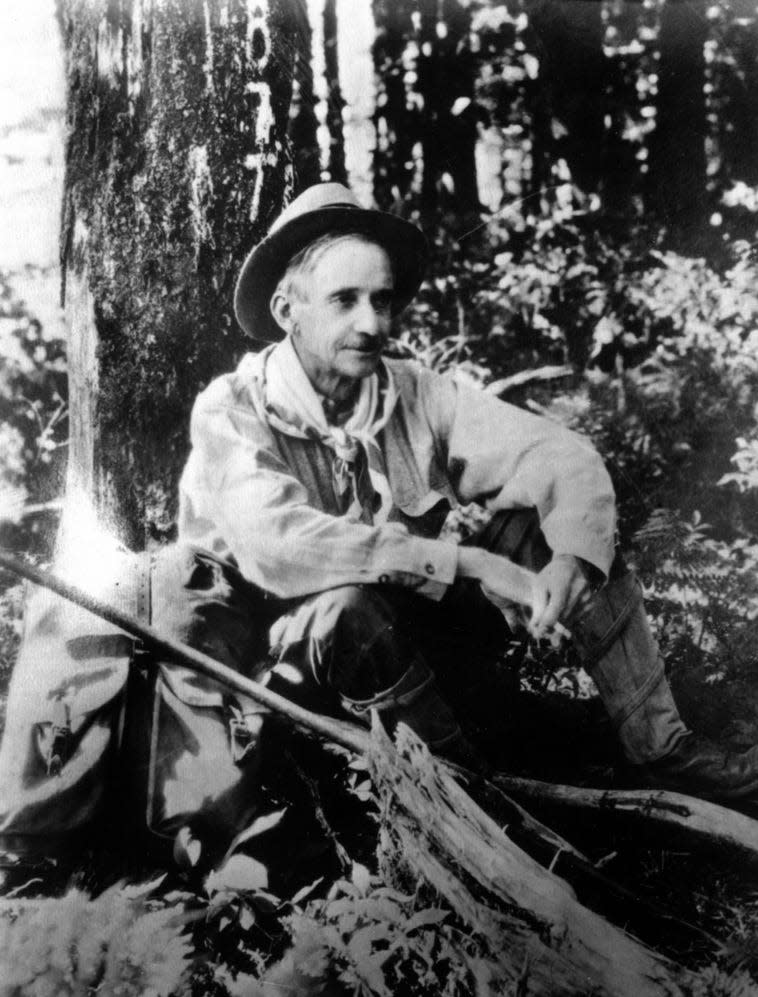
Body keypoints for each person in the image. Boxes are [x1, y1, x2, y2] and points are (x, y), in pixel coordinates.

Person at [152, 182, 758, 844]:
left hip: (405, 659)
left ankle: (662, 749)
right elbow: (278, 546)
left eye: (381, 300)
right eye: (344, 300)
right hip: (280, 691)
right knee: (351, 611)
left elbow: (556, 455)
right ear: (287, 308)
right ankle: (490, 827)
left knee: (554, 525)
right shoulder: (231, 411)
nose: (371, 323)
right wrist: (460, 560)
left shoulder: (408, 392)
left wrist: (573, 557)